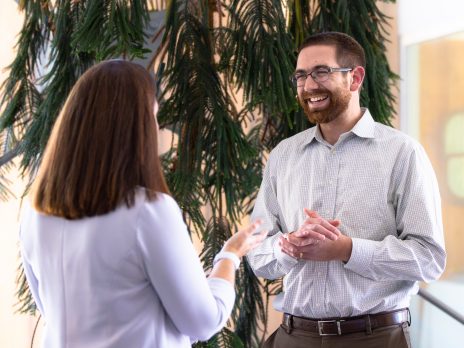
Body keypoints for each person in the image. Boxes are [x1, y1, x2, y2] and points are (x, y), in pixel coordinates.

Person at [19, 60, 267, 348]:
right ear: (135, 128)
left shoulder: (35, 212)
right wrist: (230, 256)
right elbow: (202, 321)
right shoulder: (148, 211)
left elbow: (50, 309)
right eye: (154, 117)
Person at [247, 32, 446, 348]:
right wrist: (288, 245)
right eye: (301, 76)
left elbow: (429, 259)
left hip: (375, 338)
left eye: (321, 72)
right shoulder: (283, 155)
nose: (309, 85)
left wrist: (346, 249)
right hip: (294, 337)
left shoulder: (403, 153)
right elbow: (258, 254)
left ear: (355, 78)